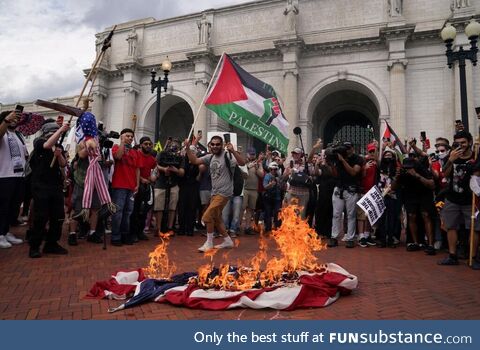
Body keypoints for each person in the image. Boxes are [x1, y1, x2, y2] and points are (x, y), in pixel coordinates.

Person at [185, 136, 246, 252]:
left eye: (218, 144)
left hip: (224, 193)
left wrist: (232, 150)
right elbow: (194, 161)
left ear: (222, 145)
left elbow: (242, 163)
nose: (215, 146)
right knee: (217, 218)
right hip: (214, 192)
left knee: (207, 216)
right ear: (210, 145)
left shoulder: (228, 155)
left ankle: (209, 243)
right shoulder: (210, 157)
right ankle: (228, 241)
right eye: (212, 144)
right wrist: (188, 148)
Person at [29, 121, 70, 258]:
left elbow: (63, 164)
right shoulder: (39, 141)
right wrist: (61, 130)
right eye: (54, 132)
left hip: (55, 186)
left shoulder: (58, 145)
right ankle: (35, 246)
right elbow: (47, 145)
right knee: (41, 217)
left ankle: (51, 244)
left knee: (58, 216)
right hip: (41, 185)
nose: (56, 135)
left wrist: (59, 155)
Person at [439, 131, 480, 268]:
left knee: (474, 228)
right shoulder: (451, 156)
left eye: (463, 142)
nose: (461, 145)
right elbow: (444, 174)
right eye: (457, 143)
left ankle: (472, 257)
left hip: (471, 199)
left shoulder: (476, 156)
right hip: (453, 198)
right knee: (451, 227)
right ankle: (452, 255)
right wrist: (450, 160)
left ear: (469, 142)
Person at [393, 154, 436, 255]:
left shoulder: (422, 169)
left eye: (410, 168)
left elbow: (432, 185)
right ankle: (415, 242)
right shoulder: (403, 172)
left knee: (426, 215)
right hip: (410, 195)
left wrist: (416, 175)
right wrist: (397, 176)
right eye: (406, 168)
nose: (408, 170)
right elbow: (393, 187)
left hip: (424, 194)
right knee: (411, 216)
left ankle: (430, 244)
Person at [327, 142, 364, 248]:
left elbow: (353, 172)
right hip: (339, 188)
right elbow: (335, 175)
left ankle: (350, 238)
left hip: (351, 189)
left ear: (353, 148)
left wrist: (343, 160)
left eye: (348, 148)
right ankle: (334, 237)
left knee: (351, 215)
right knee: (336, 214)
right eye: (345, 148)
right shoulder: (338, 157)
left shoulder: (358, 159)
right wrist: (332, 164)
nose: (346, 150)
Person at [0, 110, 27, 248]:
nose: (15, 119)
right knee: (3, 207)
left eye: (16, 118)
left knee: (14, 207)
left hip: (19, 175)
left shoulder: (19, 134)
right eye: (12, 117)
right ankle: (0, 234)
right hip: (4, 175)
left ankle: (6, 231)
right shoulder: (2, 132)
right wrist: (5, 121)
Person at [111, 128, 139, 246]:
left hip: (131, 186)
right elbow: (118, 156)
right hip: (119, 185)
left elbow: (137, 169)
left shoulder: (135, 152)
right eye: (127, 136)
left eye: (131, 137)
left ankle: (124, 234)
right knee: (118, 212)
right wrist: (122, 143)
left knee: (128, 212)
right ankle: (115, 236)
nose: (130, 138)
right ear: (122, 136)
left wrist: (137, 184)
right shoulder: (116, 147)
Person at [152, 139, 185, 234]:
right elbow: (155, 164)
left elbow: (182, 172)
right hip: (160, 183)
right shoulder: (162, 154)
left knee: (172, 207)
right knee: (159, 207)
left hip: (174, 184)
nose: (174, 148)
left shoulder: (180, 157)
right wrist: (164, 169)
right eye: (172, 146)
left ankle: (170, 228)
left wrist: (175, 170)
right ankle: (158, 228)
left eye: (176, 147)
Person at [130, 136, 156, 241]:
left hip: (147, 187)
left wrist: (153, 177)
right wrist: (141, 179)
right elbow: (134, 170)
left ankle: (140, 232)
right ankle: (133, 233)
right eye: (146, 144)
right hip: (137, 186)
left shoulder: (152, 159)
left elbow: (155, 169)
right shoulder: (136, 155)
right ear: (141, 145)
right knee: (135, 210)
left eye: (150, 144)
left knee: (144, 210)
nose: (148, 146)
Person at [242, 148, 264, 234]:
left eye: (253, 154)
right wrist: (248, 166)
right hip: (244, 188)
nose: (252, 155)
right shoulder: (243, 162)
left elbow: (261, 175)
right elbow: (242, 173)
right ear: (247, 154)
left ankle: (247, 227)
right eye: (250, 154)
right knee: (242, 208)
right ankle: (236, 226)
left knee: (250, 209)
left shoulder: (258, 164)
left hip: (254, 189)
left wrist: (256, 167)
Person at [263, 162, 282, 233]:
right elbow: (265, 186)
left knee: (277, 212)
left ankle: (277, 228)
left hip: (277, 197)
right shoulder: (267, 176)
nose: (273, 171)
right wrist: (270, 184)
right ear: (270, 169)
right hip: (268, 197)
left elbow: (281, 186)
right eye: (272, 169)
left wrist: (279, 183)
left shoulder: (278, 176)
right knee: (268, 213)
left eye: (275, 169)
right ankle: (268, 229)